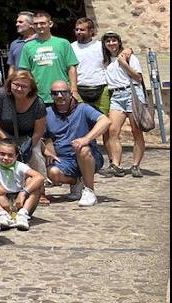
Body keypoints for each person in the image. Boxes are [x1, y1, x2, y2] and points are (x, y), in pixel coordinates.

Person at [41, 80, 109, 207]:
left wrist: (86, 139)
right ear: (51, 96)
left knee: (83, 149)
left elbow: (105, 121)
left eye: (64, 92)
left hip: (88, 156)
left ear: (71, 93)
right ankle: (76, 182)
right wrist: (49, 152)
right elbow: (45, 136)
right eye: (55, 93)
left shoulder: (83, 109)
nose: (60, 96)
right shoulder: (47, 113)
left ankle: (89, 191)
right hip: (64, 160)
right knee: (52, 173)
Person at [100, 32, 146, 177]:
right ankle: (116, 164)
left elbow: (138, 77)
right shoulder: (106, 61)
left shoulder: (129, 57)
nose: (111, 43)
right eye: (108, 41)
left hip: (131, 94)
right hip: (116, 96)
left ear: (119, 42)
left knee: (136, 131)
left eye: (114, 41)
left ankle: (135, 165)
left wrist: (124, 64)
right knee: (112, 130)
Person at [0, 70, 47, 173]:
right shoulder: (1, 95)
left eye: (24, 86)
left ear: (31, 88)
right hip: (3, 133)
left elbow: (39, 131)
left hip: (28, 137)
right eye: (16, 84)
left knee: (35, 155)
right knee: (3, 154)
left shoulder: (38, 104)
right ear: (10, 83)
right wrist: (7, 141)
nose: (19, 89)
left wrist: (29, 147)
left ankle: (39, 182)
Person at [0, 139, 42, 231]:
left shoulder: (19, 165)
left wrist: (24, 192)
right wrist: (0, 195)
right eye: (2, 154)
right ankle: (1, 214)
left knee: (32, 181)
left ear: (16, 156)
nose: (5, 158)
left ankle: (23, 214)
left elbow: (39, 177)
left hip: (18, 199)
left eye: (10, 155)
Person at [18, 12, 78, 104]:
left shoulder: (63, 43)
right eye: (36, 24)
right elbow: (26, 72)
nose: (39, 26)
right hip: (39, 96)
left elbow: (71, 68)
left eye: (42, 23)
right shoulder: (27, 46)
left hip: (62, 94)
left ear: (50, 24)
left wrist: (74, 90)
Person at [70, 18, 109, 118]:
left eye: (82, 30)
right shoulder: (70, 47)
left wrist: (128, 50)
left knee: (104, 122)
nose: (78, 32)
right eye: (76, 29)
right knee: (81, 121)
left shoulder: (102, 46)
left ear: (91, 31)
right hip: (79, 90)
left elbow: (117, 52)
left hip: (100, 88)